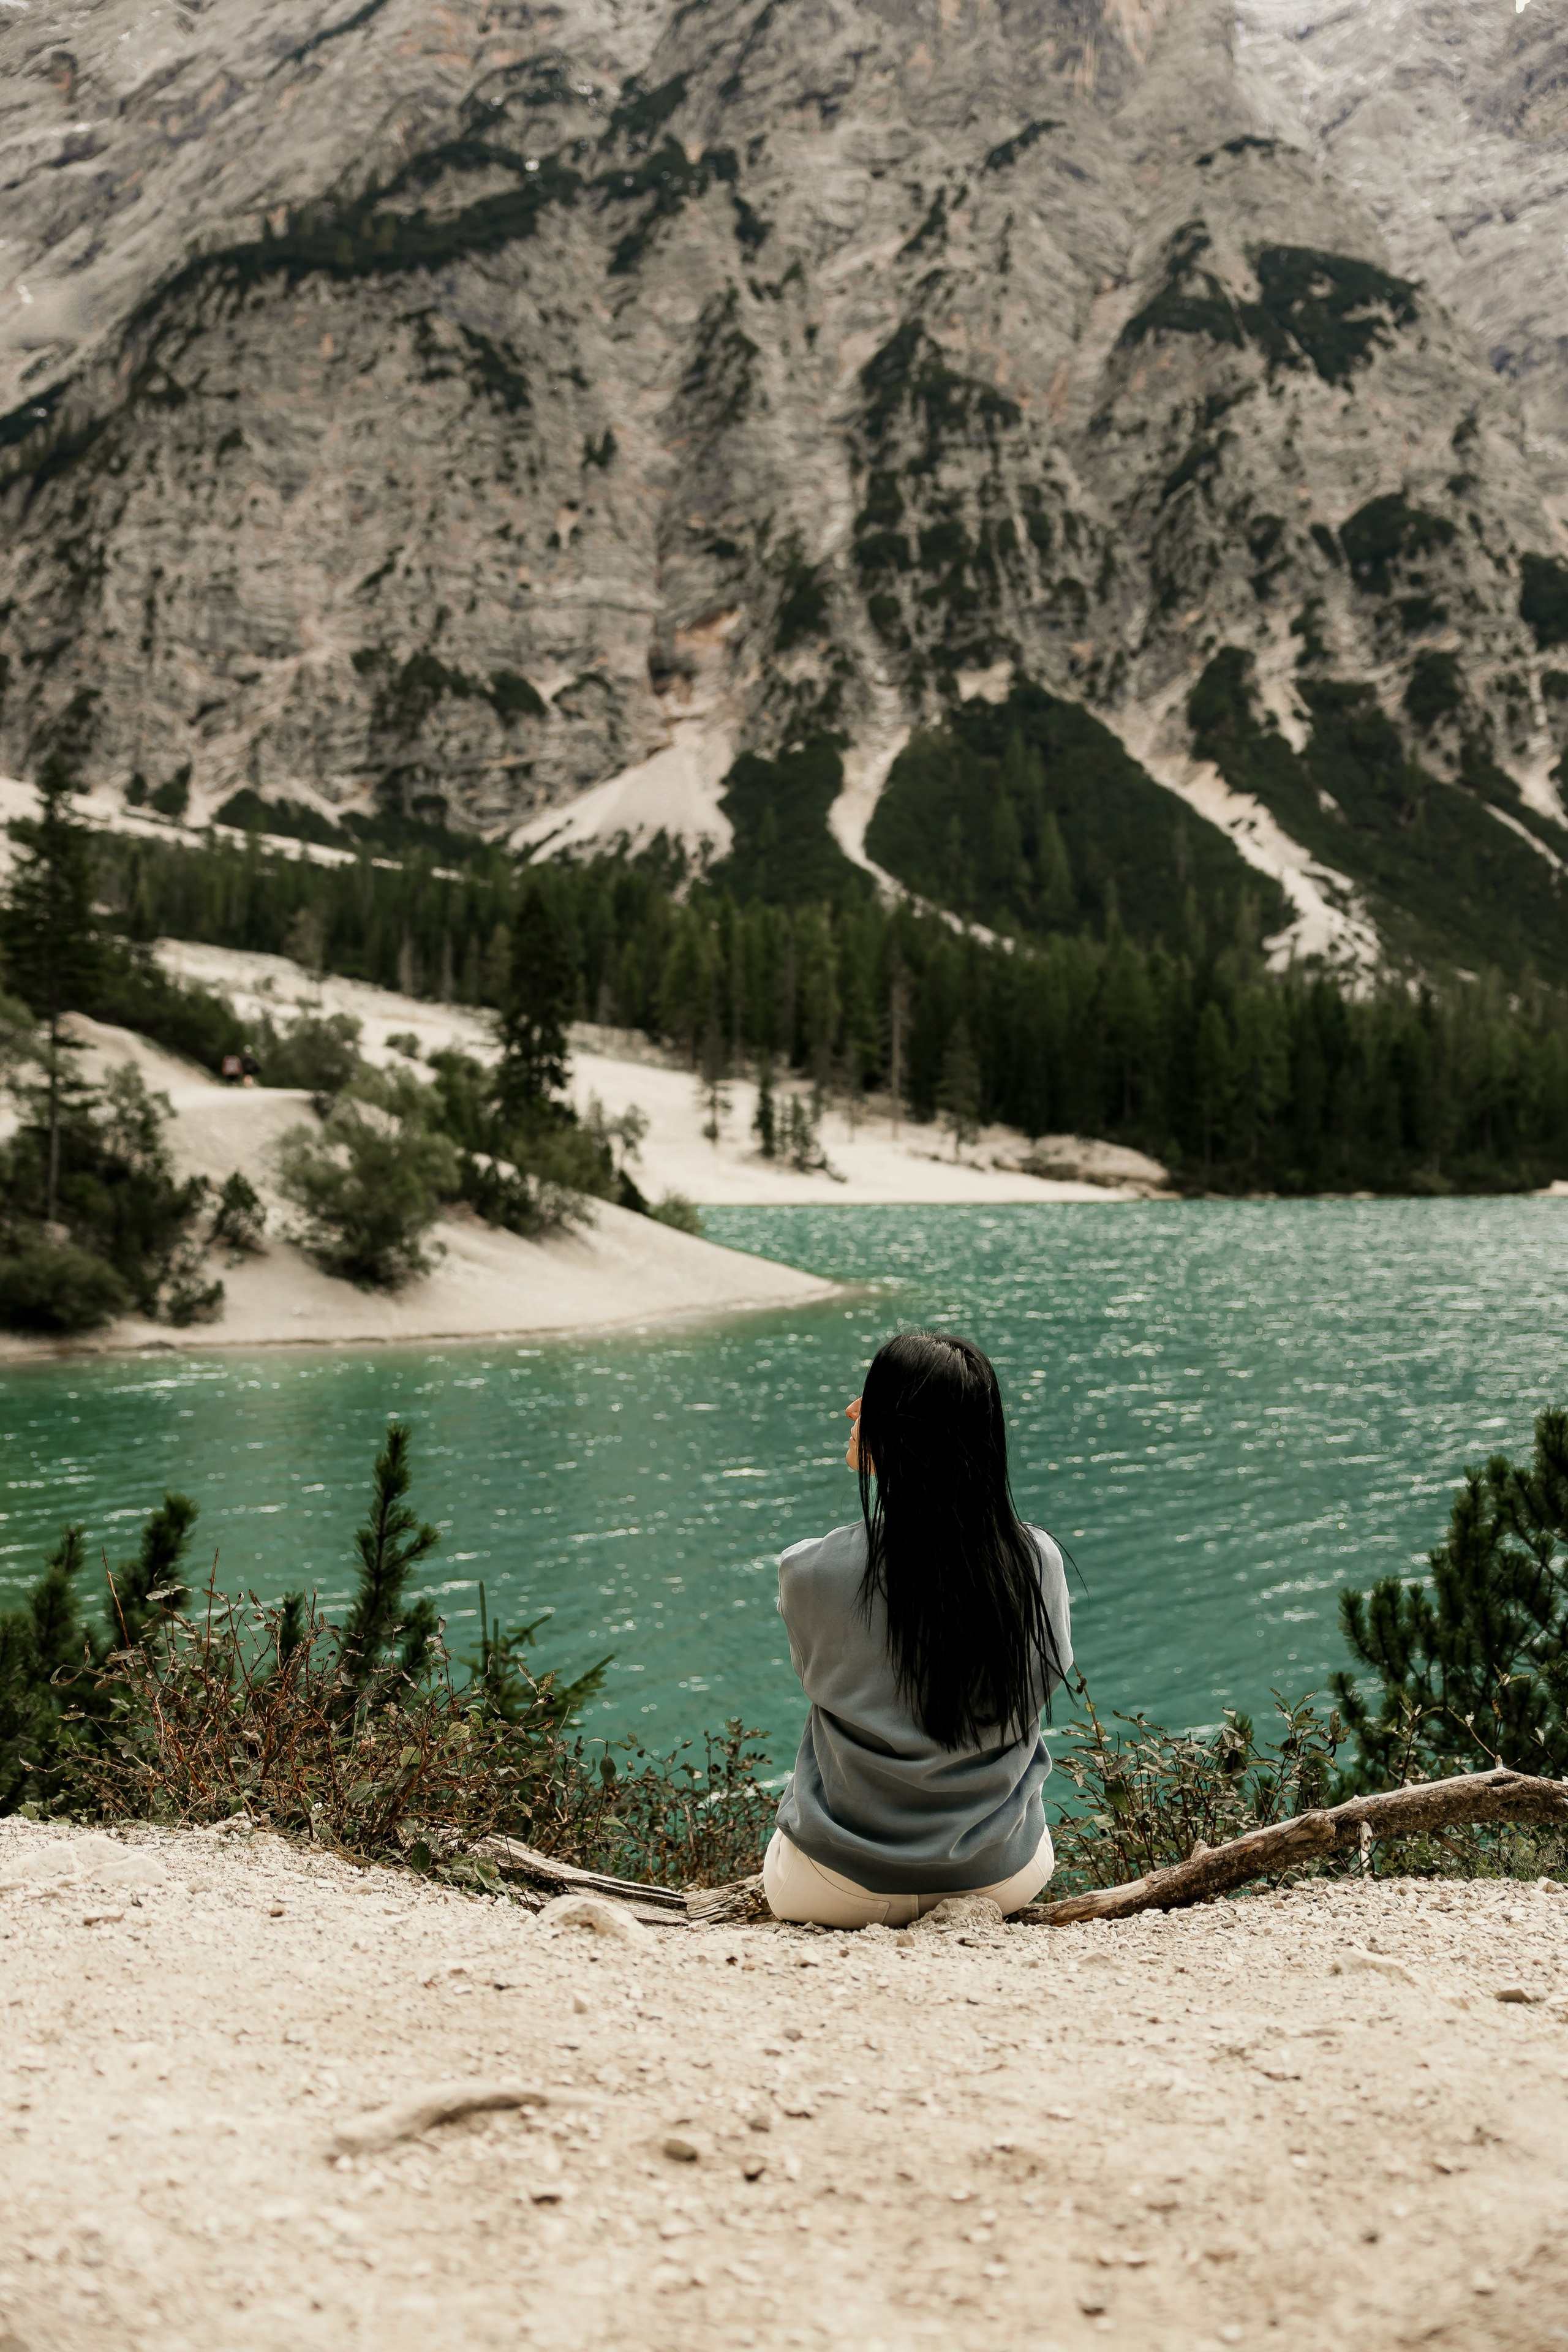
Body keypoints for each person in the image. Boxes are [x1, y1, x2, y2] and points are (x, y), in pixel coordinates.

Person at [764, 1329, 1072, 1929]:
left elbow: (821, 1679)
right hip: (1002, 1874)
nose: (854, 1411)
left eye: (873, 1397)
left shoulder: (809, 1572)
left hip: (833, 1888)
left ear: (901, 1429)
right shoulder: (1038, 1562)